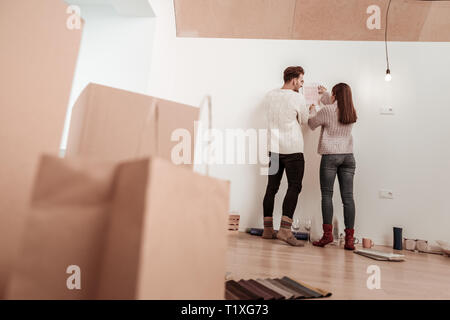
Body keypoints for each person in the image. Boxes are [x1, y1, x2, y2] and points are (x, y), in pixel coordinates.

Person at [262, 66, 309, 246]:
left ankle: (267, 229)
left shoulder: (269, 95)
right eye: (301, 81)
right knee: (294, 186)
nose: (302, 84)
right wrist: (310, 108)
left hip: (273, 148)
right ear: (294, 80)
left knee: (271, 187)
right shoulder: (298, 97)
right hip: (292, 150)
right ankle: (284, 230)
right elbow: (304, 121)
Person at [308, 83, 358, 250]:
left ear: (335, 95)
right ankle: (350, 239)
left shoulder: (327, 111)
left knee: (327, 195)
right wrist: (324, 95)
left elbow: (311, 123)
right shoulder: (351, 111)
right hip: (348, 157)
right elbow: (332, 106)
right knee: (348, 198)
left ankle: (327, 235)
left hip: (330, 157)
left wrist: (313, 109)